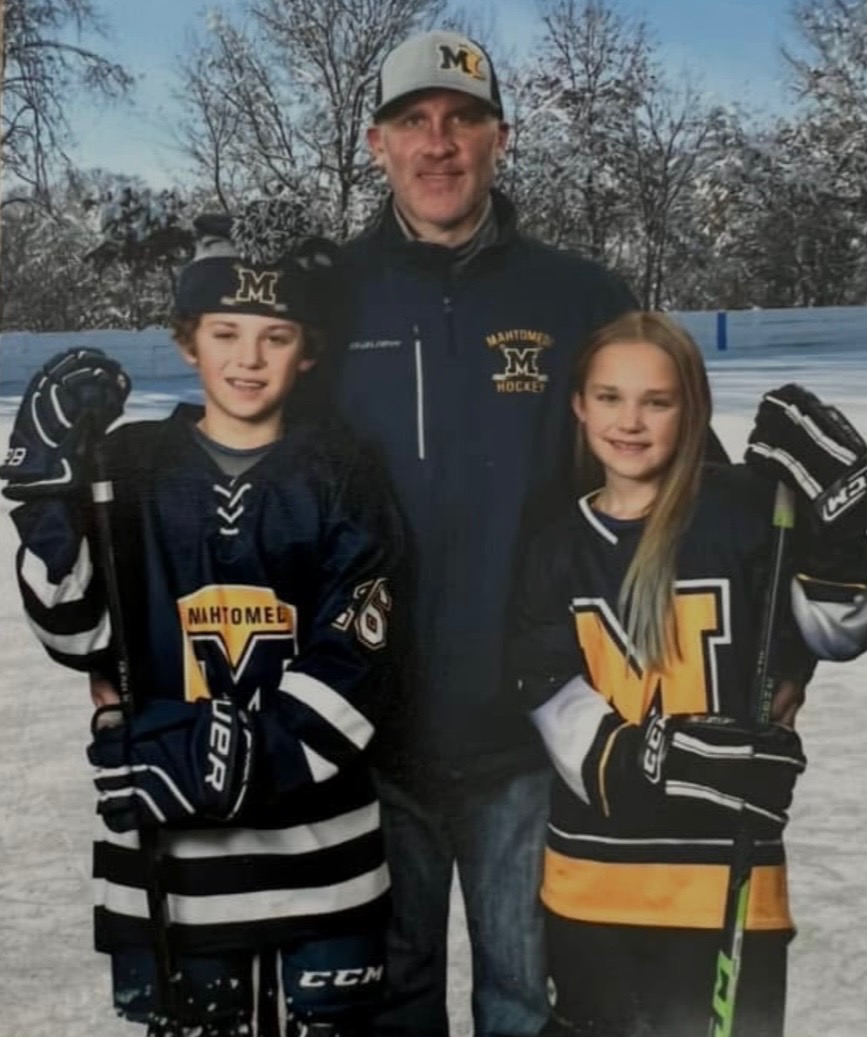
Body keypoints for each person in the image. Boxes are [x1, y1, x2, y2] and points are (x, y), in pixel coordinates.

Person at [0, 205, 407, 1037]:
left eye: (274, 336)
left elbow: (357, 663)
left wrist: (226, 758)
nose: (247, 359)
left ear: (309, 351)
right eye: (224, 333)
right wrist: (46, 500)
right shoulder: (127, 464)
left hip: (319, 857)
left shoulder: (342, 473)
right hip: (172, 867)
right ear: (187, 341)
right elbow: (78, 635)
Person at [333, 27, 646, 1037]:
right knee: (392, 1003)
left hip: (531, 728)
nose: (439, 143)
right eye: (413, 121)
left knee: (521, 1001)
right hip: (372, 730)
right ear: (377, 142)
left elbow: (657, 467)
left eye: (462, 119)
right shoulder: (329, 297)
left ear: (500, 138)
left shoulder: (578, 296)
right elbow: (239, 450)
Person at [512, 311, 867, 1037]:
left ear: (691, 408)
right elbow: (549, 694)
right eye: (608, 397)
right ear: (578, 406)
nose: (630, 421)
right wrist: (666, 763)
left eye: (656, 400)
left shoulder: (743, 513)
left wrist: (848, 525)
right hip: (593, 881)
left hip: (727, 881)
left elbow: (833, 630)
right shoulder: (553, 545)